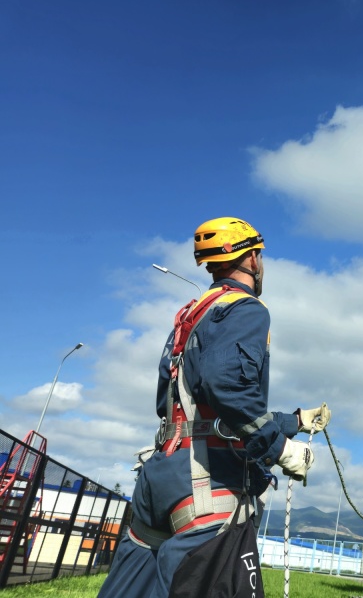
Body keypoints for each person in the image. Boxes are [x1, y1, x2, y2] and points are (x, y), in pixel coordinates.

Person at [98, 217, 331, 598]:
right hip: (206, 481)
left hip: (160, 477)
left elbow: (183, 405)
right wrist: (281, 450)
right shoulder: (247, 308)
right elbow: (228, 389)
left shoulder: (191, 315)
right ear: (253, 259)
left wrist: (296, 421)